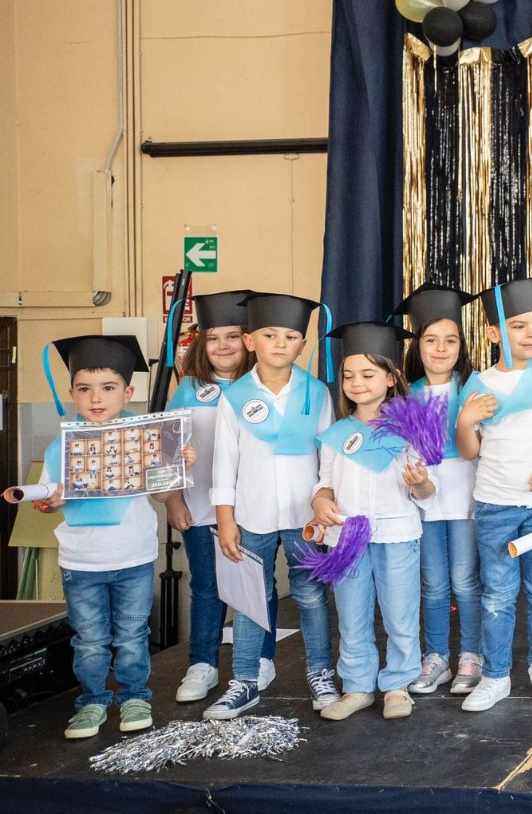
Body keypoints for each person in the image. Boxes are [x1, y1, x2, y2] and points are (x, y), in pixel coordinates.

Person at [37, 336, 182, 738]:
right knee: (89, 640)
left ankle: (135, 695)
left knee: (133, 634)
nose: (95, 398)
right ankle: (93, 701)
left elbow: (162, 495)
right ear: (72, 393)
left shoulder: (145, 437)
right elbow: (50, 498)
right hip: (81, 562)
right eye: (84, 389)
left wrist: (176, 465)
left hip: (133, 557)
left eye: (108, 388)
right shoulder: (61, 446)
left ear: (128, 392)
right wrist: (48, 502)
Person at [206, 293, 336, 720]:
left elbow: (329, 458)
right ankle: (244, 681)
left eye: (291, 336)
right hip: (251, 516)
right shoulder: (234, 397)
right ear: (249, 341)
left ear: (302, 345)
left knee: (310, 596)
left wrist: (326, 506)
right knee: (248, 599)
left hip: (305, 518)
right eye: (269, 334)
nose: (280, 343)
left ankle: (319, 673)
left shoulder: (316, 394)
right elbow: (225, 463)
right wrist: (225, 520)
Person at [455, 277, 532, 712]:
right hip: (494, 504)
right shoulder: (478, 384)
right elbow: (470, 452)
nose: (530, 335)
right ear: (493, 333)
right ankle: (497, 674)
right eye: (519, 326)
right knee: (497, 593)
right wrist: (465, 422)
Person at [309, 322, 432, 721]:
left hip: (396, 532)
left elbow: (428, 491)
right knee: (352, 614)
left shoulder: (410, 426)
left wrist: (421, 482)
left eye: (368, 374)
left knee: (399, 613)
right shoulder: (337, 432)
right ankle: (358, 686)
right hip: (347, 538)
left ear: (391, 377)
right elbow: (325, 484)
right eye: (348, 375)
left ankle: (397, 684)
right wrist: (320, 501)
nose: (356, 383)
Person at [165, 290, 272, 705]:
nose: (222, 346)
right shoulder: (189, 388)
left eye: (232, 336)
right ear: (201, 344)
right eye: (213, 338)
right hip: (201, 507)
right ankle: (203, 664)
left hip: (252, 509)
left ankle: (261, 658)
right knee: (207, 585)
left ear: (248, 340)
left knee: (254, 587)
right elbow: (166, 452)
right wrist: (174, 502)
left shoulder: (262, 386)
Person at [394, 284, 484, 698]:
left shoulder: (474, 387)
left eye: (450, 340)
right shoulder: (405, 395)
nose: (441, 349)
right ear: (418, 344)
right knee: (432, 583)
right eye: (431, 340)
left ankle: (471, 654)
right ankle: (436, 657)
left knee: (465, 579)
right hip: (425, 496)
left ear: (461, 345)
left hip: (466, 492)